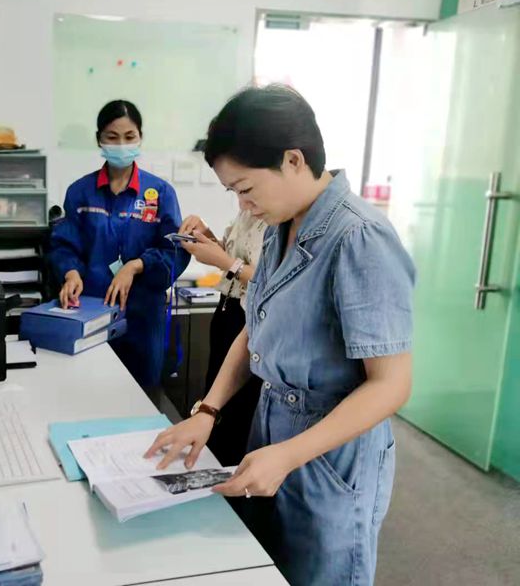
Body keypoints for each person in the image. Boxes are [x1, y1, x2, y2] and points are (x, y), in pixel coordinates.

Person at [145, 85, 415, 586]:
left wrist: (290, 455)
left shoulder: (360, 238)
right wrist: (207, 410)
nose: (243, 206)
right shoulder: (278, 229)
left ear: (293, 160)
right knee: (266, 567)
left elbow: (391, 385)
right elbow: (256, 328)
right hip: (270, 427)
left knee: (321, 572)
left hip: (331, 450)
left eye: (246, 188)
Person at [49, 100, 189, 391]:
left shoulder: (160, 193)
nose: (121, 145)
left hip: (141, 320)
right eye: (112, 137)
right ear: (99, 139)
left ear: (140, 137)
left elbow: (175, 250)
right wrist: (71, 273)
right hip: (90, 315)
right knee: (88, 392)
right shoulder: (80, 192)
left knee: (139, 396)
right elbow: (64, 245)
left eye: (129, 137)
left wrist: (137, 266)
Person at [177, 211, 266, 467]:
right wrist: (208, 239)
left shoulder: (280, 218)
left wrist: (226, 262)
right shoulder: (248, 211)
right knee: (217, 400)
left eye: (243, 191)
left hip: (249, 314)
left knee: (239, 410)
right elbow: (235, 257)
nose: (241, 199)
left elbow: (270, 283)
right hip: (228, 308)